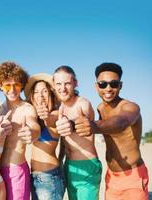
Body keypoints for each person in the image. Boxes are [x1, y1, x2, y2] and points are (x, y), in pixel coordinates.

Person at [75, 63, 149, 200]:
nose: (108, 88)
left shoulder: (131, 107)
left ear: (120, 85)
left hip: (133, 176)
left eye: (113, 84)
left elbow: (122, 122)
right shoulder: (100, 108)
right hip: (112, 177)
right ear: (96, 86)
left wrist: (93, 126)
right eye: (103, 84)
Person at [53, 66, 102, 200]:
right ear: (53, 85)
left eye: (67, 83)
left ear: (75, 83)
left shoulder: (83, 104)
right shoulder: (61, 107)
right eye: (58, 84)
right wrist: (59, 159)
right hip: (69, 165)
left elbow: (82, 121)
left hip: (87, 164)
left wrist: (71, 125)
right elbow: (64, 139)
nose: (62, 88)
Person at [0, 61, 40, 200]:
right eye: (8, 85)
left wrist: (31, 133)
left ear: (22, 86)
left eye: (17, 84)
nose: (12, 89)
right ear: (0, 86)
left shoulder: (27, 108)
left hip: (16, 171)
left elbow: (33, 125)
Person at [24, 73, 65, 200]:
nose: (40, 95)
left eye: (44, 91)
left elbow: (52, 119)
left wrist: (46, 116)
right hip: (35, 177)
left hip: (49, 178)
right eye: (36, 92)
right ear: (32, 96)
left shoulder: (56, 114)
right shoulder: (33, 117)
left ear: (51, 94)